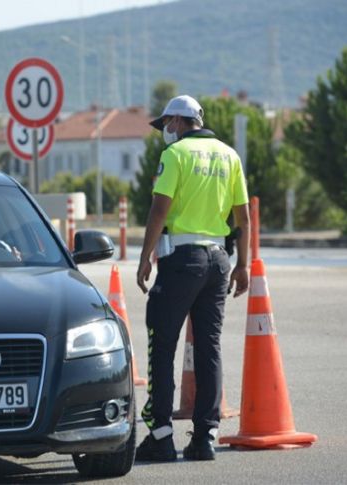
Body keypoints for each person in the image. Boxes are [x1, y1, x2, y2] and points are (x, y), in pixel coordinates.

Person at [135, 95, 250, 462]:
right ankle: (205, 437)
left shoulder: (176, 155)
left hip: (181, 261)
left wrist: (144, 258)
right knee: (209, 348)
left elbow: (159, 208)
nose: (164, 132)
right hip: (218, 261)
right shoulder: (229, 155)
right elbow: (243, 219)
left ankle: (161, 435)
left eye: (166, 125)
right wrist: (243, 264)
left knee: (162, 342)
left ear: (178, 121)